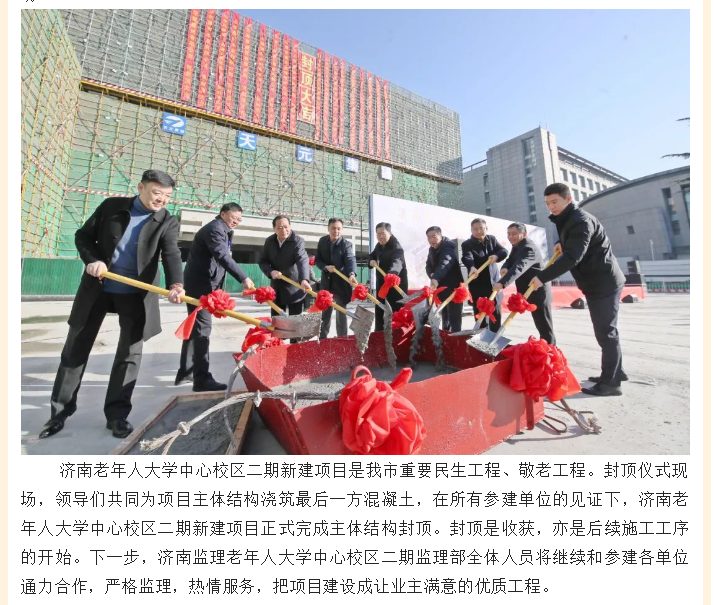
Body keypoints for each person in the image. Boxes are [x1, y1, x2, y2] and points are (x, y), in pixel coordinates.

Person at [39, 170, 185, 439]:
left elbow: (171, 253)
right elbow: (83, 236)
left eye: (167, 196)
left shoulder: (167, 220)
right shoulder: (112, 207)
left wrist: (176, 284)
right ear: (140, 187)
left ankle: (117, 415)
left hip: (136, 293)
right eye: (157, 193)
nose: (162, 200)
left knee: (129, 355)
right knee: (75, 349)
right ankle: (58, 414)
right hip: (98, 288)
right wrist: (93, 260)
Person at [530, 182, 627, 396]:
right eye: (547, 203)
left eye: (554, 202)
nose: (551, 207)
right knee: (606, 331)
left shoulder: (580, 220)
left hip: (603, 282)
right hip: (595, 281)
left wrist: (542, 278)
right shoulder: (567, 218)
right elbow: (573, 240)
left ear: (568, 199)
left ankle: (611, 383)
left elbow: (573, 257)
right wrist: (560, 242)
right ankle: (615, 372)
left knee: (606, 332)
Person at [175, 203, 255, 392]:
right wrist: (243, 277)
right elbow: (222, 256)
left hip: (202, 284)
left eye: (239, 219)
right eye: (233, 217)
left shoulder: (224, 230)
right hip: (200, 286)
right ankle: (201, 379)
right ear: (222, 214)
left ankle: (186, 371)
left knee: (196, 328)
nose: (236, 222)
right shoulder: (215, 229)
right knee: (203, 329)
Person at [493, 222, 556, 344]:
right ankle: (544, 349)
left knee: (545, 327)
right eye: (509, 234)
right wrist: (505, 267)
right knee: (540, 325)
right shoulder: (517, 245)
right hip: (529, 290)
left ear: (524, 234)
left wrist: (502, 283)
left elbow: (519, 267)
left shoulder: (529, 248)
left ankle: (551, 351)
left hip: (538, 291)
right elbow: (510, 260)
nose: (510, 237)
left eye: (514, 234)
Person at [258, 215, 311, 318]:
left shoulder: (297, 241)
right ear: (274, 229)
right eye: (280, 228)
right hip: (277, 287)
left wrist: (304, 279)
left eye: (286, 227)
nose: (284, 230)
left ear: (290, 226)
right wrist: (270, 272)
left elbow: (302, 259)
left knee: (294, 321)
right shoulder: (269, 241)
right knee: (277, 320)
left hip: (294, 286)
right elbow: (262, 261)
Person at [460, 218, 508, 332]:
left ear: (486, 228)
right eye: (475, 229)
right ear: (471, 230)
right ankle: (481, 337)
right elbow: (467, 257)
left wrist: (496, 256)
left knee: (496, 316)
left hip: (494, 284)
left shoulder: (492, 239)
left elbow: (504, 251)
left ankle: (495, 337)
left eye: (481, 228)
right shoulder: (467, 244)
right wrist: (471, 267)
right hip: (478, 285)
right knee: (480, 317)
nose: (478, 231)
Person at [315, 218, 358, 339]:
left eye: (339, 229)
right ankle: (322, 339)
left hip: (341, 283)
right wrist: (325, 267)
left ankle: (342, 339)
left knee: (341, 312)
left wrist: (352, 274)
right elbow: (318, 260)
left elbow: (350, 259)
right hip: (327, 282)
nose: (336, 231)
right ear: (328, 229)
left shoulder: (346, 244)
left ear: (342, 230)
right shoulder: (322, 241)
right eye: (333, 228)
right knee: (325, 312)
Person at [368, 222, 408, 331]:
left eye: (383, 233)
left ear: (390, 233)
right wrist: (371, 260)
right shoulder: (379, 245)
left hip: (394, 287)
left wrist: (392, 274)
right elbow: (372, 255)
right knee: (380, 311)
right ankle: (379, 335)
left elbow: (397, 262)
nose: (380, 236)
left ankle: (395, 337)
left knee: (394, 314)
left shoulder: (396, 247)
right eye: (378, 234)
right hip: (382, 285)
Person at [425, 226, 463, 332]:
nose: (431, 240)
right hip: (442, 288)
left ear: (441, 235)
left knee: (454, 318)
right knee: (445, 316)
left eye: (434, 236)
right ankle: (446, 337)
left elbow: (445, 263)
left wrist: (436, 277)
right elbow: (428, 266)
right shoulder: (432, 249)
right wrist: (431, 274)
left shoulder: (448, 248)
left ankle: (456, 338)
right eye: (429, 237)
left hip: (454, 289)